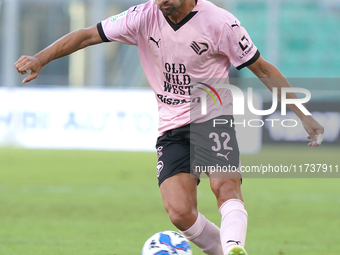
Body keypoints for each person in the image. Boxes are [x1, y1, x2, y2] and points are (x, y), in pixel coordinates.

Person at [14, 0, 324, 254]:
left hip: (212, 118)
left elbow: (262, 67)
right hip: (171, 126)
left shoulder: (220, 23)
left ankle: (233, 247)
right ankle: (224, 251)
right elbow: (86, 35)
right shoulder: (142, 16)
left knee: (225, 187)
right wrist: (41, 58)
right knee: (179, 212)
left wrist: (301, 113)